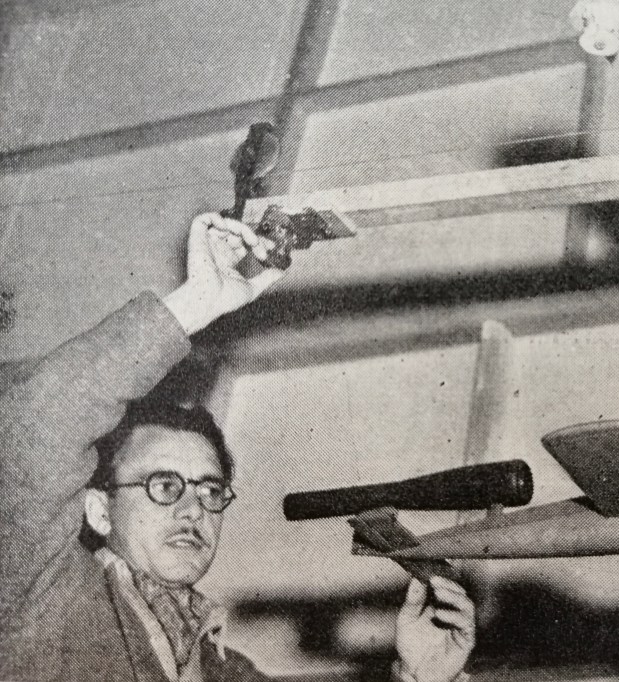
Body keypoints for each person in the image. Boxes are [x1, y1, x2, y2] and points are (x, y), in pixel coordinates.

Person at [0, 213, 476, 682]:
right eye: (164, 485)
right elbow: (34, 424)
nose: (194, 510)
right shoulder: (43, 596)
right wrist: (195, 303)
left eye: (210, 490)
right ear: (100, 511)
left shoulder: (226, 670)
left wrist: (418, 677)